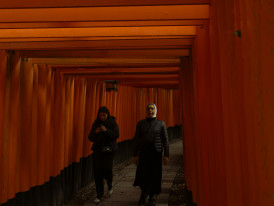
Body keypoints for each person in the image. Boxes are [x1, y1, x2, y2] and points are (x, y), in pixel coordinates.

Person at [133, 103, 169, 206]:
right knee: (143, 175)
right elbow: (136, 139)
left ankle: (152, 196)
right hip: (144, 153)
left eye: (152, 108)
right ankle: (143, 194)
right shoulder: (141, 123)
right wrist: (135, 154)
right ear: (146, 111)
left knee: (155, 175)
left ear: (155, 110)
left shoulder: (161, 123)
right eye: (148, 109)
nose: (150, 110)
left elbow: (165, 140)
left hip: (156, 153)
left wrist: (166, 155)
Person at [88, 106, 119, 204]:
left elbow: (116, 135)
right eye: (100, 115)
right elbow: (90, 137)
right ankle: (99, 195)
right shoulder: (96, 123)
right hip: (98, 151)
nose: (102, 117)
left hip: (109, 150)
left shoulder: (112, 122)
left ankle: (109, 183)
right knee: (97, 172)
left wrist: (106, 130)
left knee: (107, 169)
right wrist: (96, 132)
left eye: (104, 115)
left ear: (107, 115)